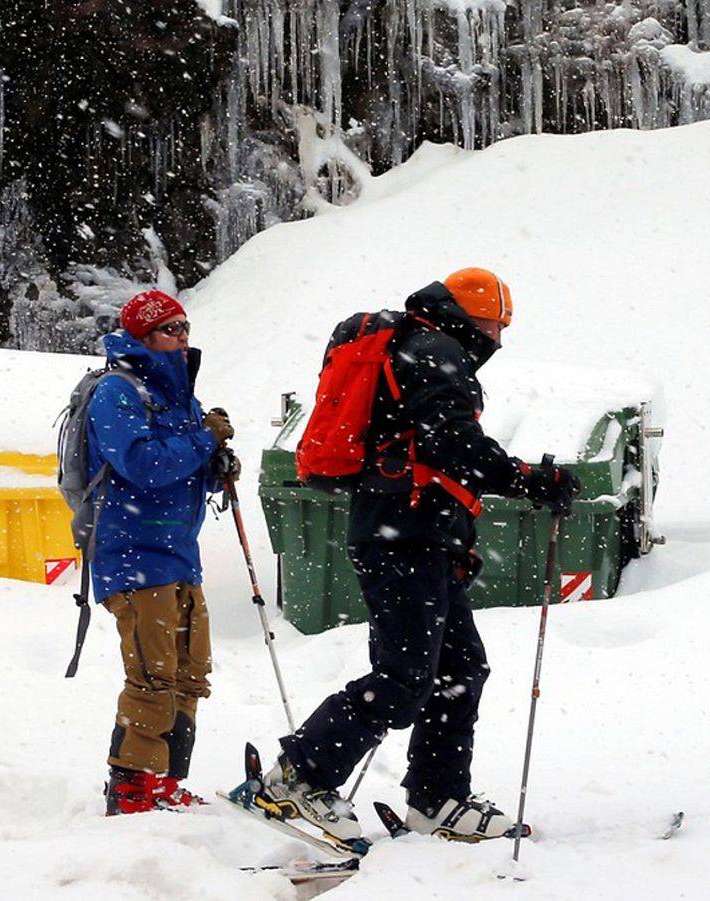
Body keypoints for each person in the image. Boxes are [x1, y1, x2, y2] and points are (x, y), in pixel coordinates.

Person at [257, 268, 581, 842]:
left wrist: (456, 539)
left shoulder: (417, 346)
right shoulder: (432, 350)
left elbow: (427, 454)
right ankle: (298, 777)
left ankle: (437, 800)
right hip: (401, 538)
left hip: (417, 536)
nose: (498, 341)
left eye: (502, 327)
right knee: (406, 677)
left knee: (459, 669)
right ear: (463, 316)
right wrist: (532, 479)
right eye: (491, 325)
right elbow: (453, 447)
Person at [89, 288, 238, 815]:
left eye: (185, 327)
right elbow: (143, 465)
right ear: (143, 336)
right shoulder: (117, 393)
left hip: (178, 552)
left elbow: (179, 471)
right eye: (170, 329)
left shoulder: (179, 397)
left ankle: (168, 783)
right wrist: (203, 443)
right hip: (132, 553)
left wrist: (216, 469)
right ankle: (132, 788)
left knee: (189, 673)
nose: (182, 337)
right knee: (152, 674)